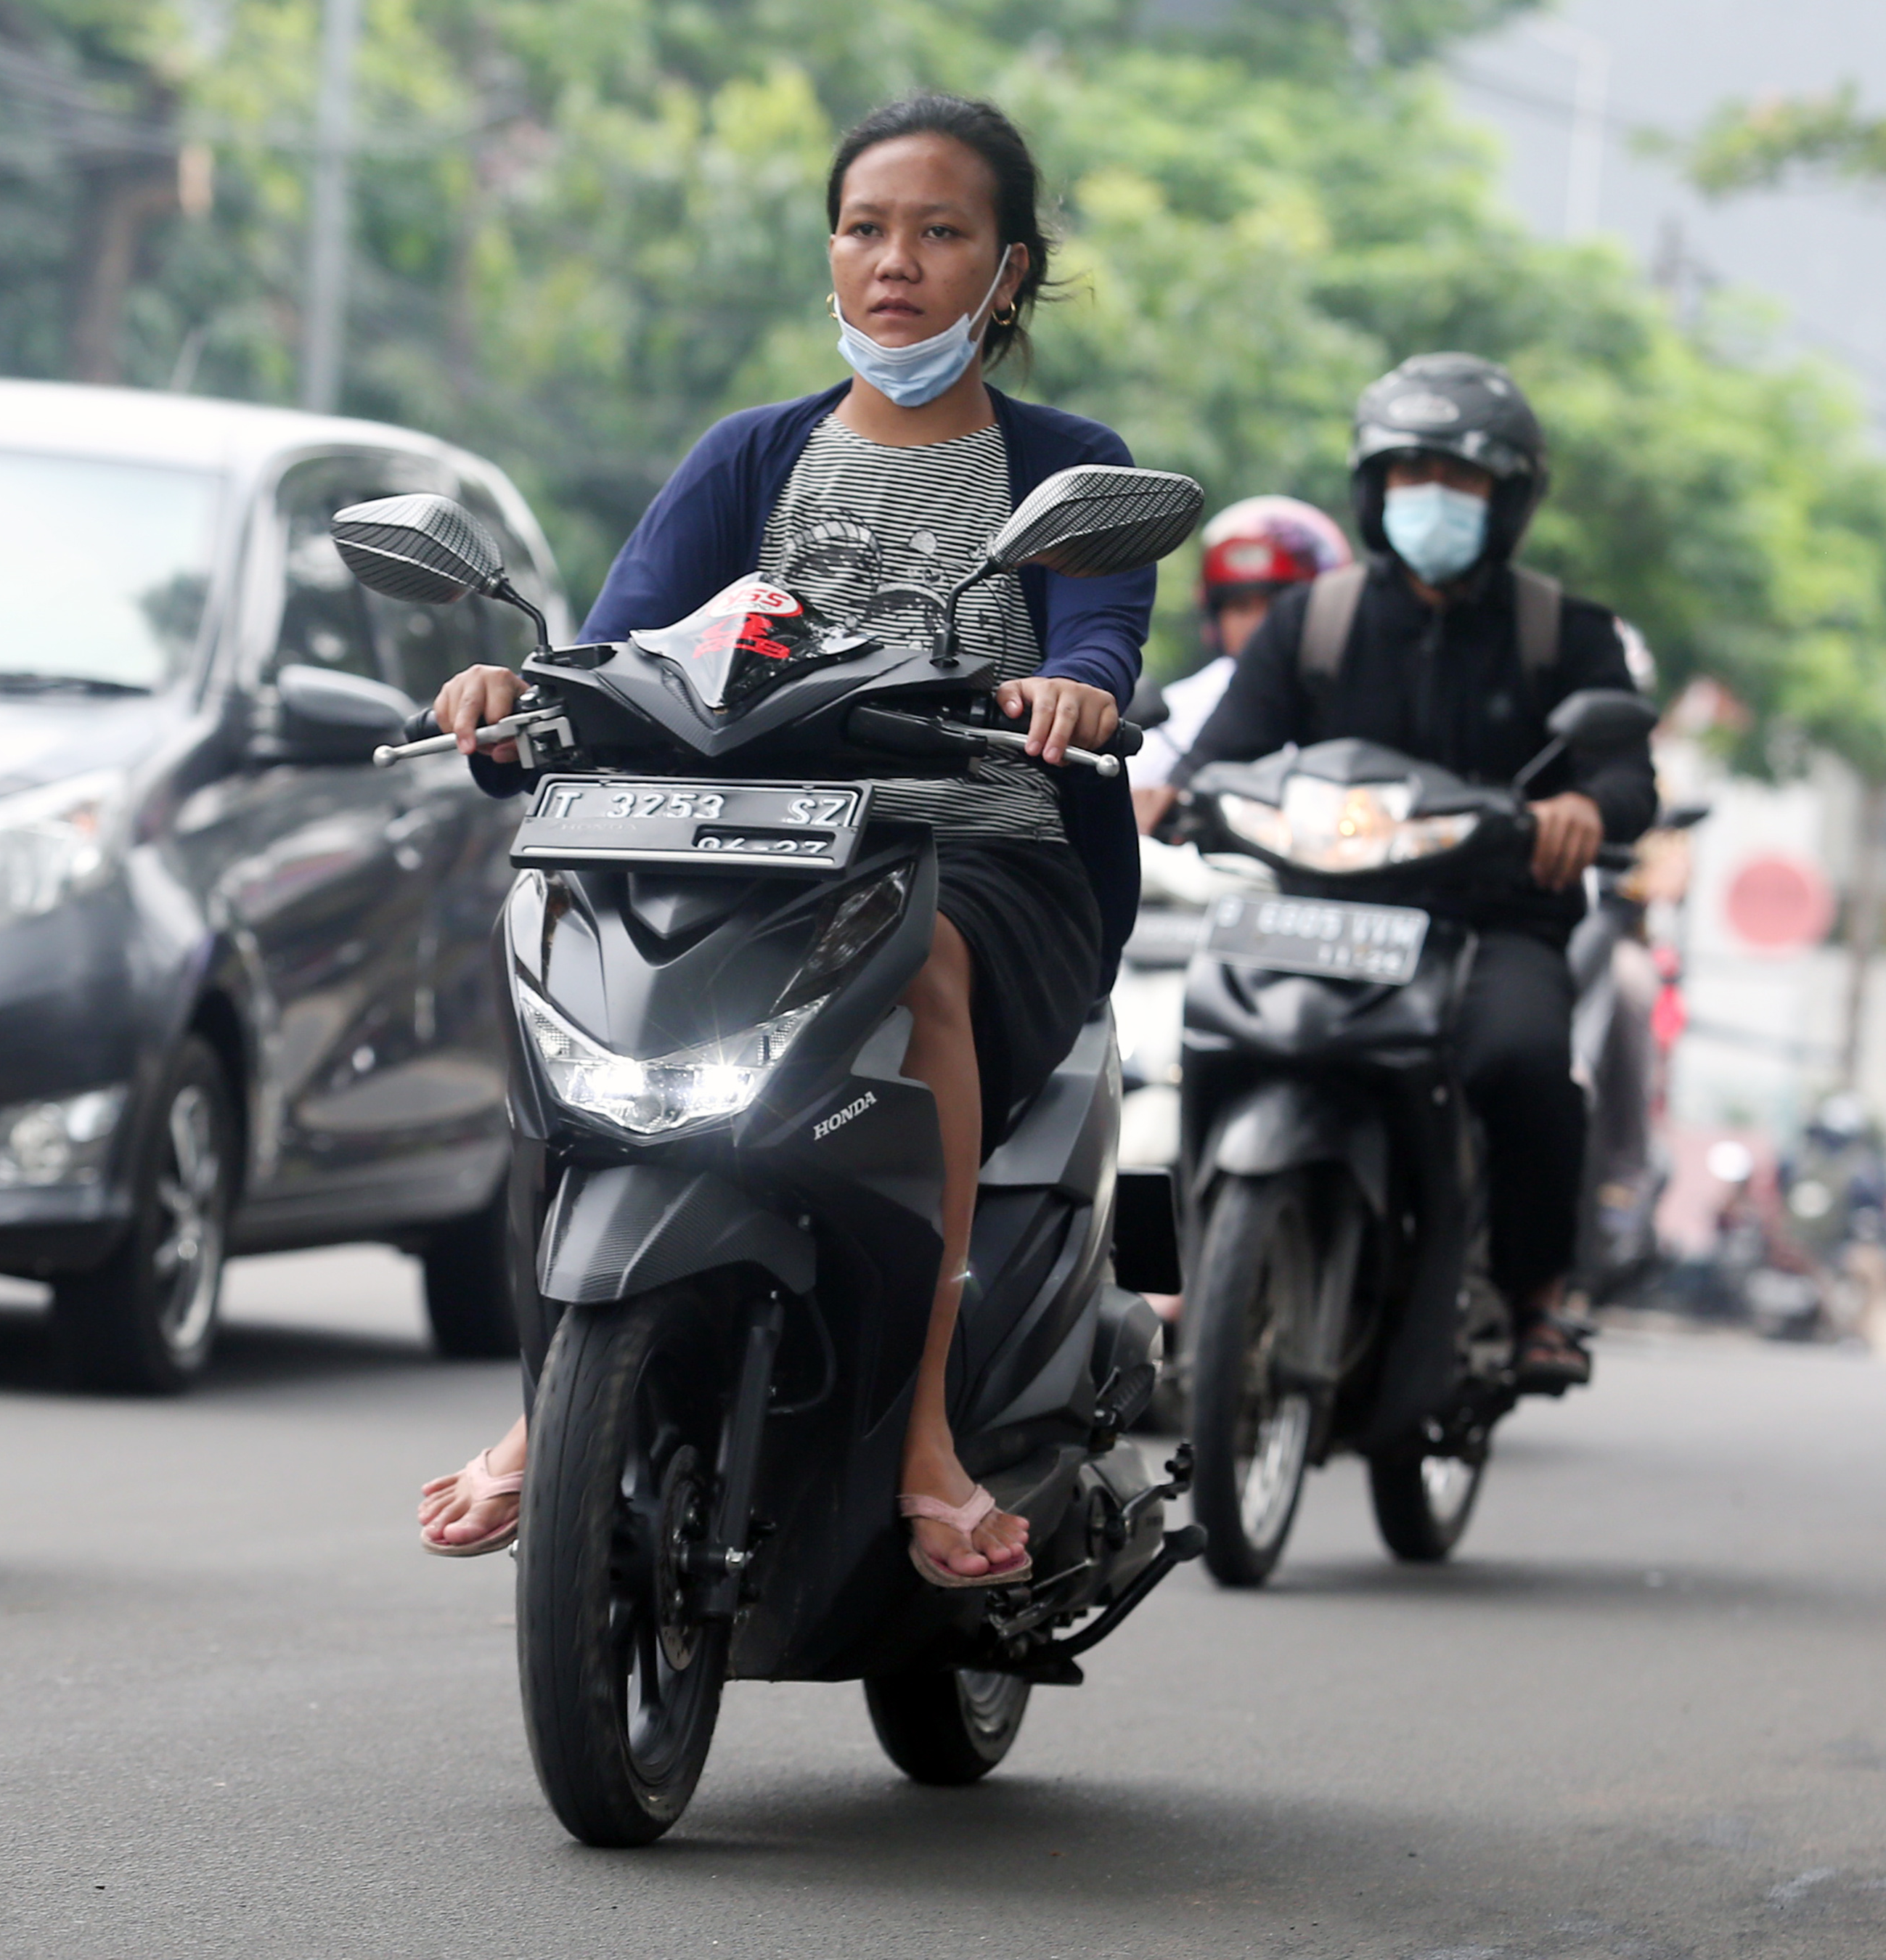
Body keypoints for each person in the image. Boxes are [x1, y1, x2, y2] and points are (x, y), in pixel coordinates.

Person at [417, 94, 1154, 1585]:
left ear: (1003, 273)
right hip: (742, 849)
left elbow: (1096, 636)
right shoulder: (749, 457)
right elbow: (611, 656)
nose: (895, 264)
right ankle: (551, 1391)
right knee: (552, 968)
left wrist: (1072, 690)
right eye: (864, 228)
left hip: (976, 859)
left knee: (925, 966)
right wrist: (512, 695)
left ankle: (926, 1429)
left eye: (940, 233)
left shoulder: (1060, 463)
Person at [1169, 352, 1656, 1392]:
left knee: (1524, 1063)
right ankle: (1174, 1282)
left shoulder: (1564, 635)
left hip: (1491, 926)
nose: (1431, 497)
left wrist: (1583, 807)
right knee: (1193, 1040)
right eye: (1408, 474)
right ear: (1372, 488)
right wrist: (1171, 796)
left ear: (1510, 496)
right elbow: (1224, 754)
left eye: (1462, 478)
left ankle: (1536, 1302)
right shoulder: (1315, 621)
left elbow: (1627, 781)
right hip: (1315, 914)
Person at [1127, 496, 1349, 832]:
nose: (1261, 625)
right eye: (1241, 607)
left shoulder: (1346, 690)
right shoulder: (1180, 710)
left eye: (1279, 607)